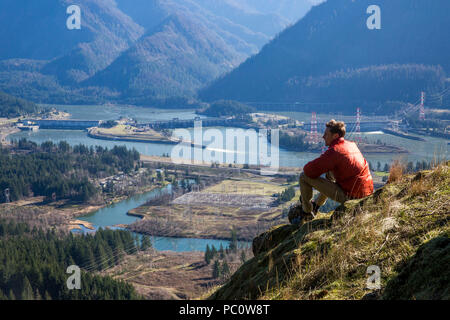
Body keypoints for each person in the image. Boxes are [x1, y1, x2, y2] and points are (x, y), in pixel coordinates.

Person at [289, 119, 374, 225]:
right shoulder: (351, 144)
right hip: (366, 192)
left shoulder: (335, 151)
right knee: (330, 173)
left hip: (351, 197)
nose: (323, 136)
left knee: (303, 177)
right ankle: (316, 206)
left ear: (335, 136)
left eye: (326, 134)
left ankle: (306, 212)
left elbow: (308, 171)